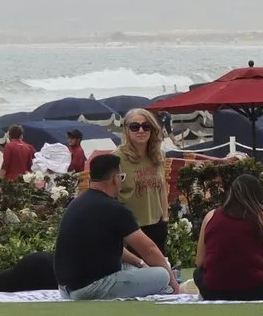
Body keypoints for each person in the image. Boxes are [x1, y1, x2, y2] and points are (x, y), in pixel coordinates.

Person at [54, 154, 176, 299]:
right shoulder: (115, 208)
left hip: (66, 288)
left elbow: (110, 248)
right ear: (116, 179)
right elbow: (149, 249)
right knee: (162, 275)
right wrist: (174, 282)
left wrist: (140, 263)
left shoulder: (76, 203)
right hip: (91, 288)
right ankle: (167, 290)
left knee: (135, 268)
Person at [196, 171, 263, 301]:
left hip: (212, 291)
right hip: (253, 290)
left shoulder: (210, 216)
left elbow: (199, 263)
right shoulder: (262, 218)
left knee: (197, 274)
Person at [115, 108, 173, 251]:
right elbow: (111, 196)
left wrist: (165, 218)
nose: (141, 131)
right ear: (126, 130)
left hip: (157, 225)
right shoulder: (117, 158)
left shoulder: (158, 155)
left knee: (159, 271)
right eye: (135, 127)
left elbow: (162, 187)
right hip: (131, 230)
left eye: (146, 126)